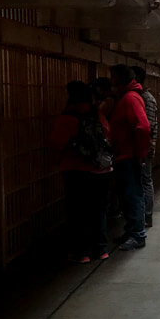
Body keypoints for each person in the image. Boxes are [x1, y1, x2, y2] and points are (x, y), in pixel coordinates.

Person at [48, 81, 112, 263]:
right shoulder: (98, 115)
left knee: (78, 211)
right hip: (101, 170)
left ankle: (82, 251)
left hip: (76, 170)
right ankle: (101, 249)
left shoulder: (68, 118)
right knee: (98, 209)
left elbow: (56, 142)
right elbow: (108, 137)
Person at [109, 64, 151, 251]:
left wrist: (140, 154)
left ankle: (138, 234)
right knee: (128, 196)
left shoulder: (130, 98)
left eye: (113, 78)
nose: (111, 82)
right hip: (125, 155)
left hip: (128, 156)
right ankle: (132, 230)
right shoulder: (127, 97)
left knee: (132, 195)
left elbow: (143, 127)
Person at [131, 66, 158, 228]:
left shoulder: (146, 98)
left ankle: (147, 216)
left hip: (144, 146)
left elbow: (148, 125)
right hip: (141, 146)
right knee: (141, 181)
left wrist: (146, 147)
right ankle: (142, 215)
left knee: (145, 180)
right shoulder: (142, 97)